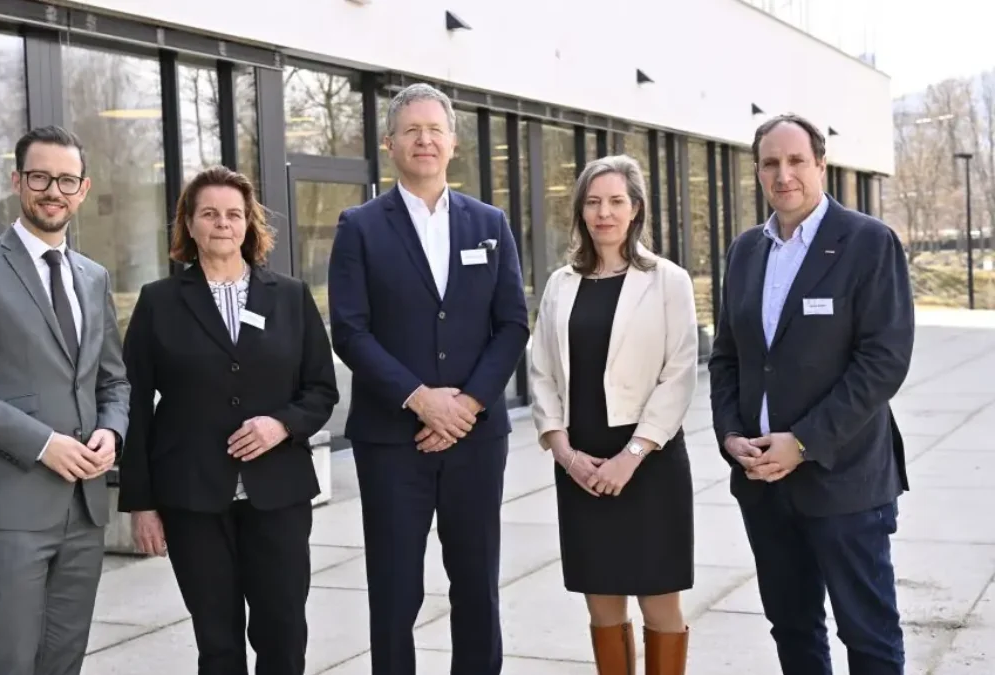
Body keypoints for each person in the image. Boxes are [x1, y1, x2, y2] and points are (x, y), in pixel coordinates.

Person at [327, 82, 529, 675]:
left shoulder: (489, 223)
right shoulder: (359, 226)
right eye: (411, 130)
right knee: (394, 594)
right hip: (393, 443)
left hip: (475, 440)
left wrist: (465, 404)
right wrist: (420, 400)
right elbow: (350, 331)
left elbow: (513, 324)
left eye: (434, 129)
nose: (424, 140)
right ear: (390, 143)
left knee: (476, 588)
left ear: (453, 142)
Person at [708, 114, 915, 675]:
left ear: (821, 165)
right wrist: (731, 434)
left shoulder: (868, 243)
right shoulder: (747, 251)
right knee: (794, 629)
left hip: (844, 480)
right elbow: (727, 357)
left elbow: (883, 362)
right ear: (757, 171)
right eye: (771, 163)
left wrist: (801, 443)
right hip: (764, 486)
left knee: (867, 635)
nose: (784, 175)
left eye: (796, 161)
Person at [0, 125, 131, 675]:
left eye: (66, 180)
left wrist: (112, 431)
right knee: (10, 662)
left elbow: (112, 380)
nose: (53, 191)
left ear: (83, 190)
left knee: (63, 660)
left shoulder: (93, 276)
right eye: (40, 177)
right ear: (17, 181)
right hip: (4, 508)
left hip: (84, 508)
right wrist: (43, 445)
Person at [117, 165, 339, 675]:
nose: (223, 223)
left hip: (278, 495)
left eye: (234, 214)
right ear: (189, 225)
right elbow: (133, 403)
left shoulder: (289, 296)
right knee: (216, 642)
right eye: (210, 213)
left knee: (282, 634)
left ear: (249, 224)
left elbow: (321, 389)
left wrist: (280, 425)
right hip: (192, 498)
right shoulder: (159, 302)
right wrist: (141, 503)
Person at [528, 155, 698, 674]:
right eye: (593, 202)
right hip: (579, 463)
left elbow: (680, 372)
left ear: (636, 209)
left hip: (650, 463)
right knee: (601, 603)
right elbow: (541, 373)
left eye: (616, 201)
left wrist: (632, 455)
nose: (604, 212)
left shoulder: (667, 280)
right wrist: (563, 452)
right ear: (580, 211)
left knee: (659, 603)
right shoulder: (561, 283)